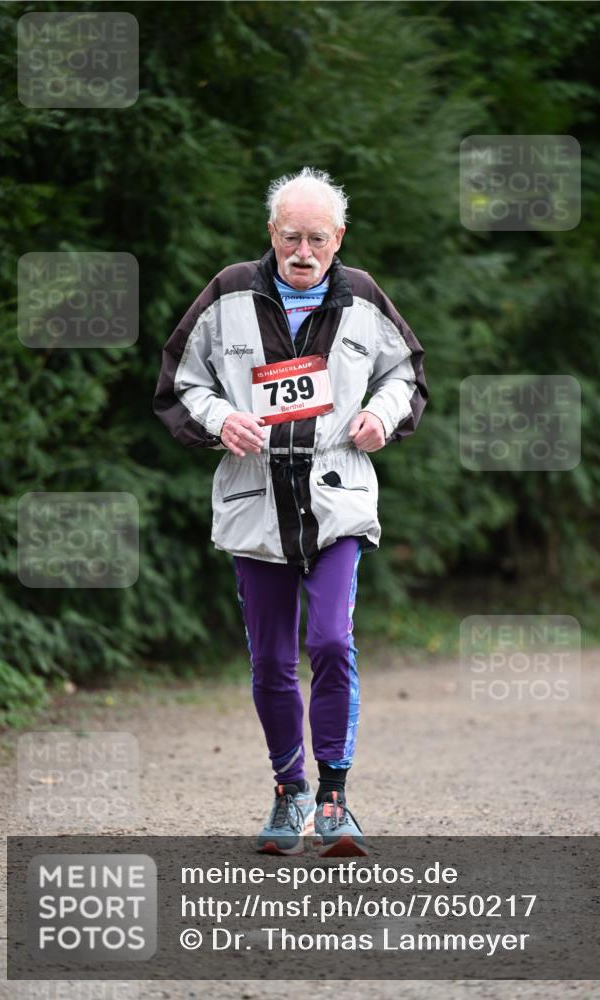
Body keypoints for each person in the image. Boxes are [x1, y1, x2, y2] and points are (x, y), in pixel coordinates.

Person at [154, 167, 427, 857]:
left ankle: (333, 797)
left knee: (331, 641)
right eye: (289, 238)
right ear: (270, 236)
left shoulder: (363, 297)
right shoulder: (227, 294)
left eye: (316, 239)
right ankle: (288, 792)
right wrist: (221, 421)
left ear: (337, 240)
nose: (302, 253)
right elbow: (179, 380)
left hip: (335, 494)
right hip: (255, 499)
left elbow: (407, 374)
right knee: (271, 659)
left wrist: (380, 415)